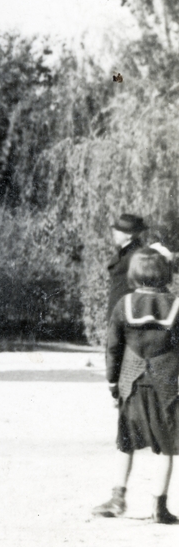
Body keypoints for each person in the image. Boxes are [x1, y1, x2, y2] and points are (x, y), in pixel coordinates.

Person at [92, 247, 179, 524]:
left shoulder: (124, 304)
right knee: (167, 448)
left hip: (131, 382)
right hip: (166, 385)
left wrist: (112, 383)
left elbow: (113, 347)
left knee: (125, 442)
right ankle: (159, 506)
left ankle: (118, 498)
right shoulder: (176, 305)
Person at [107, 214, 147, 319]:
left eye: (118, 231)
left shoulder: (137, 255)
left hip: (127, 315)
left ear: (129, 235)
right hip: (117, 312)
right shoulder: (123, 253)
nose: (114, 233)